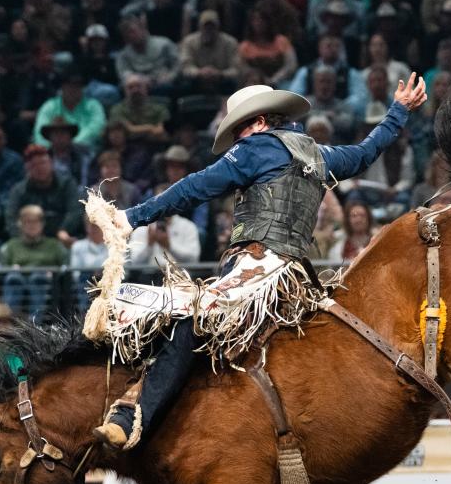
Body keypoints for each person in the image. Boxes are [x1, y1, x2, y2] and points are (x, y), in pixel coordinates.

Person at [93, 73, 428, 449]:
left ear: (260, 121)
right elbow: (367, 152)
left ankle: (132, 413)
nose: (236, 141)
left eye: (239, 130)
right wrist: (398, 111)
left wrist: (132, 217)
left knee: (189, 316)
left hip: (256, 271)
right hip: (298, 280)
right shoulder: (319, 154)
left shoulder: (257, 148)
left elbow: (194, 187)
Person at [0, 204, 68, 319]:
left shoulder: (54, 245)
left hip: (45, 284)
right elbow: (0, 267)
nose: (32, 225)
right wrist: (10, 269)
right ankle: (10, 320)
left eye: (35, 221)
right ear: (20, 224)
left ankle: (35, 322)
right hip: (18, 282)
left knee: (38, 278)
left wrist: (54, 274)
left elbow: (66, 266)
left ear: (42, 224)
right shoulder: (11, 245)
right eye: (27, 222)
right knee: (13, 278)